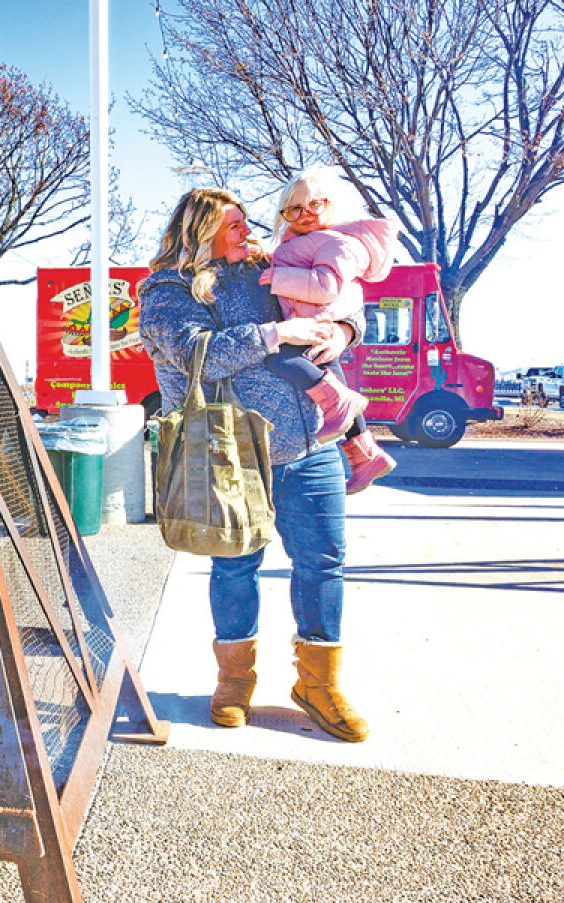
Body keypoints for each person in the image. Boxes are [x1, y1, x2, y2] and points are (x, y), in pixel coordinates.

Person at [138, 187, 369, 742]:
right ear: (202, 230)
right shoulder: (168, 289)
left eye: (246, 223)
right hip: (230, 459)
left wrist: (342, 331)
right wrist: (274, 334)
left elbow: (339, 298)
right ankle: (234, 680)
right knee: (236, 568)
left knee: (323, 564)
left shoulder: (273, 265)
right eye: (234, 224)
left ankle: (318, 684)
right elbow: (197, 352)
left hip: (312, 449)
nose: (248, 231)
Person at [259, 168, 399, 493]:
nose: (304, 214)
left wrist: (277, 278)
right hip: (311, 322)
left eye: (313, 205)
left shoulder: (336, 242)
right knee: (331, 378)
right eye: (294, 209)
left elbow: (326, 286)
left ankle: (340, 407)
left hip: (314, 324)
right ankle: (365, 455)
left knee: (278, 359)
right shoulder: (307, 241)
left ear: (331, 204)